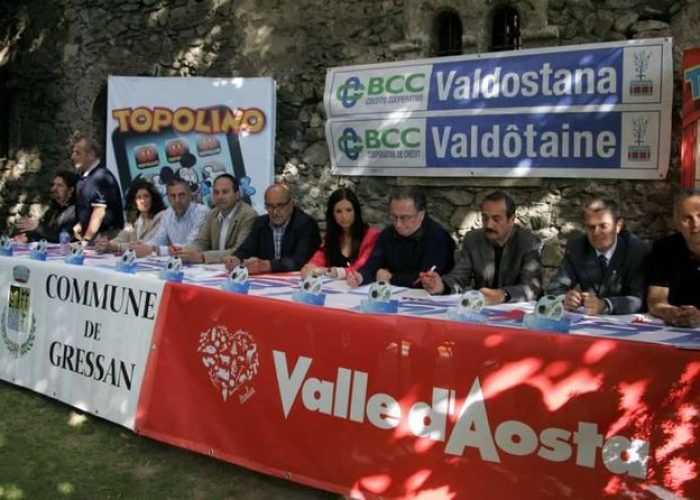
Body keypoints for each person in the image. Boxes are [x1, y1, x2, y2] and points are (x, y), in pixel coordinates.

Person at [422, 191, 542, 304]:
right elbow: (460, 276)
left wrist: (502, 294)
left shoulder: (528, 243)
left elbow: (531, 287)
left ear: (511, 220)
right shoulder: (473, 239)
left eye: (496, 219)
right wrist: (442, 285)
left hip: (515, 309)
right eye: (485, 218)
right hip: (481, 308)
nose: (489, 224)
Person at [547, 199, 650, 315]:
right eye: (591, 227)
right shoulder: (577, 247)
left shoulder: (636, 250)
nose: (596, 233)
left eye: (603, 226)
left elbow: (639, 300)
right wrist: (564, 299)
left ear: (618, 226)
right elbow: (555, 287)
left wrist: (605, 305)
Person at [348, 186, 454, 289]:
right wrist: (360, 276)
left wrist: (392, 278)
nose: (398, 224)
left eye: (405, 218)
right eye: (394, 217)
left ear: (421, 215)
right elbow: (373, 263)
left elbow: (427, 279)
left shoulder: (437, 238)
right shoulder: (388, 233)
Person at [223, 183, 320, 274]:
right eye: (270, 206)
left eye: (280, 206)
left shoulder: (306, 224)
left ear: (291, 204)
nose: (275, 212)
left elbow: (300, 261)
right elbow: (246, 249)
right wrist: (236, 258)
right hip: (267, 281)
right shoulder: (260, 223)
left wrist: (267, 265)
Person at [647, 189, 700, 328]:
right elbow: (656, 299)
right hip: (675, 330)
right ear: (676, 223)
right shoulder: (665, 248)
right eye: (687, 218)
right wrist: (669, 312)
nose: (696, 225)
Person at [176, 174, 257, 264]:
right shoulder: (213, 213)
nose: (220, 197)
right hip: (215, 268)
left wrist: (202, 257)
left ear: (237, 195)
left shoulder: (248, 215)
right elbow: (201, 242)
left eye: (225, 192)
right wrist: (184, 252)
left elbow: (239, 251)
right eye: (216, 192)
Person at [300, 187, 379, 279]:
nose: (344, 216)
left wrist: (336, 272)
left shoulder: (371, 235)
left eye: (348, 210)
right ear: (332, 214)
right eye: (338, 211)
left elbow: (364, 267)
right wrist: (310, 267)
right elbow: (319, 258)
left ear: (356, 211)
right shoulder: (332, 235)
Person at [131, 177, 208, 257]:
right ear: (168, 198)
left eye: (181, 195)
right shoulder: (167, 214)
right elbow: (158, 240)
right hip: (178, 262)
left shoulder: (201, 212)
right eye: (173, 196)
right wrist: (143, 245)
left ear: (190, 195)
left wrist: (156, 250)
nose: (177, 200)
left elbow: (192, 246)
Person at [71, 136, 124, 241]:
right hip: (93, 236)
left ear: (91, 155)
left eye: (78, 153)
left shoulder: (100, 177)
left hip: (107, 237)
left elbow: (99, 212)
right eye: (73, 152)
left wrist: (86, 240)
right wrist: (81, 224)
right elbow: (86, 208)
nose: (73, 156)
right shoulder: (83, 177)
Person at [95, 180, 165, 254]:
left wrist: (115, 247)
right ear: (134, 202)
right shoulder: (134, 220)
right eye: (138, 197)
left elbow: (145, 245)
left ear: (153, 198)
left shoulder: (162, 217)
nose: (143, 201)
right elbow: (120, 239)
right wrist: (105, 244)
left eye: (146, 196)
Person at [14, 171, 77, 243]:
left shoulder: (75, 210)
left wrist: (38, 227)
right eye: (53, 185)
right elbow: (46, 233)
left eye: (59, 185)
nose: (53, 189)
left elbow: (65, 238)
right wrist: (27, 238)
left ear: (71, 190)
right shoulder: (54, 208)